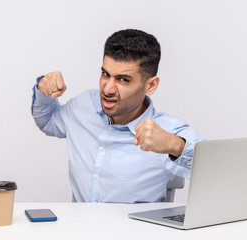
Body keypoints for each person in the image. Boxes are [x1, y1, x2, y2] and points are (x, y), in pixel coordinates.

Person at [31, 29, 204, 203]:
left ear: (150, 85)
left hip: (136, 230)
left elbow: (218, 171)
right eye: (105, 74)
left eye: (123, 80)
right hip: (78, 229)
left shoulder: (166, 130)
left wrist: (174, 145)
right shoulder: (83, 106)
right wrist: (44, 89)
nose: (107, 89)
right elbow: (47, 121)